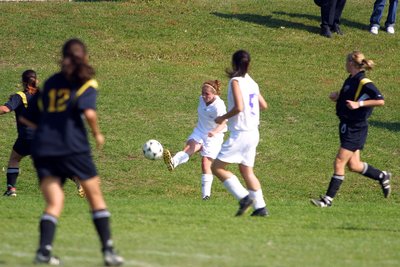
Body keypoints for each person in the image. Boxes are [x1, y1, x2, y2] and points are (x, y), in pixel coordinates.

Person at [19, 39, 123, 266]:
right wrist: (97, 134)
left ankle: (44, 251)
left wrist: (48, 128)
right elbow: (89, 113)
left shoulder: (51, 82)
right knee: (95, 197)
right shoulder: (86, 82)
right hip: (73, 147)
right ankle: (108, 251)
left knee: (54, 202)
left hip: (44, 149)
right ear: (85, 57)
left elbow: (27, 117)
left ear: (63, 56)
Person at [311, 51, 392, 208]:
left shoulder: (364, 81)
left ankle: (327, 200)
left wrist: (359, 105)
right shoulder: (351, 79)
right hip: (346, 125)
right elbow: (351, 94)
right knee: (354, 165)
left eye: (346, 61)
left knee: (339, 162)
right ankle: (382, 176)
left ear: (351, 63)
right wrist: (338, 96)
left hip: (356, 127)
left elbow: (380, 100)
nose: (344, 64)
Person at [211, 50, 269, 217]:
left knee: (217, 167)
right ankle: (260, 208)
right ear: (248, 64)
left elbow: (239, 107)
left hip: (241, 132)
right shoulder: (252, 82)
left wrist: (223, 117)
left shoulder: (235, 81)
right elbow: (263, 105)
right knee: (246, 170)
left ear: (234, 63)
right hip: (253, 132)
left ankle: (244, 198)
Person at [163, 80, 227, 200]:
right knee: (189, 147)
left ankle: (205, 196)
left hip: (214, 136)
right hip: (200, 131)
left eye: (206, 94)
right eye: (202, 93)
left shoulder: (219, 106)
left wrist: (214, 131)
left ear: (214, 94)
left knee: (205, 164)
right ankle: (173, 162)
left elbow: (224, 123)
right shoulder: (201, 99)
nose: (203, 96)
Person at [0, 70, 39, 197]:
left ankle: (11, 190)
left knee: (14, 159)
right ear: (36, 80)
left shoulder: (20, 96)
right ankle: (78, 179)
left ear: (23, 82)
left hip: (26, 137)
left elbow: (5, 109)